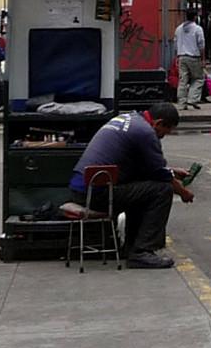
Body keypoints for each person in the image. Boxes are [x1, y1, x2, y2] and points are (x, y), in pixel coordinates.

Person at [65, 104, 195, 269]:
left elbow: (147, 168)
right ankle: (142, 251)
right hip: (97, 195)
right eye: (165, 132)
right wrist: (184, 193)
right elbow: (160, 175)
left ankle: (132, 247)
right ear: (158, 123)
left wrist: (171, 171)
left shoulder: (127, 119)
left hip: (83, 189)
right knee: (162, 190)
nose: (162, 137)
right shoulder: (145, 133)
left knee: (142, 188)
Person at [174, 13, 207, 108]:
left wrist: (177, 56)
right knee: (198, 78)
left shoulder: (178, 29)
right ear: (195, 17)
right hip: (193, 56)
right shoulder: (198, 29)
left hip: (181, 56)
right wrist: (203, 59)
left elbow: (175, 44)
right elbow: (201, 45)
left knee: (182, 80)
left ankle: (181, 102)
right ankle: (192, 98)